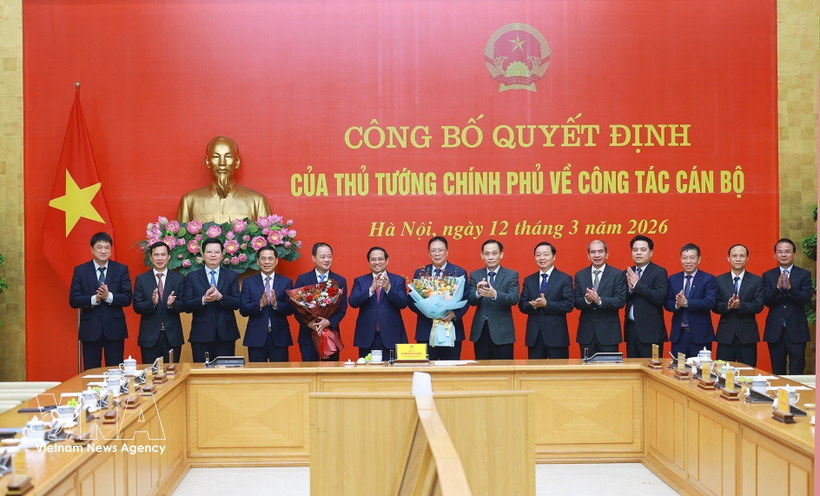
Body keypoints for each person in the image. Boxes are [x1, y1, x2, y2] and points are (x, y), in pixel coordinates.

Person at [69, 232, 133, 370]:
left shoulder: (121, 269)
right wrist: (95, 299)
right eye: (99, 247)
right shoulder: (80, 271)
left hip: (115, 330)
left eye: (107, 247)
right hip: (90, 330)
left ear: (111, 249)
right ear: (92, 249)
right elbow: (74, 300)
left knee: (115, 371)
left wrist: (108, 296)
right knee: (91, 373)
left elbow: (127, 298)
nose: (103, 251)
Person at [176, 136, 273, 223]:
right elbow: (180, 240)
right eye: (216, 157)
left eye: (228, 156)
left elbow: (268, 239)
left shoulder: (257, 201)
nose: (222, 162)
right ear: (207, 161)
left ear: (237, 162)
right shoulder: (189, 201)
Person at [407, 236, 469, 360]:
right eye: (433, 251)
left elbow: (467, 298)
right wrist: (427, 311)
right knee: (425, 373)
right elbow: (411, 300)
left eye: (440, 250)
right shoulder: (420, 273)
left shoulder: (459, 272)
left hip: (450, 329)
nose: (437, 254)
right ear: (429, 253)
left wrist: (454, 314)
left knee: (450, 372)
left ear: (447, 252)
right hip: (426, 330)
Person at [182, 237, 241, 362]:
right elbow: (186, 305)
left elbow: (237, 302)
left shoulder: (231, 276)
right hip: (201, 335)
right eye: (209, 252)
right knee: (201, 375)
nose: (213, 255)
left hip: (226, 334)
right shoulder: (192, 277)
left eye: (216, 252)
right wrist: (203, 299)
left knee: (225, 375)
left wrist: (221, 298)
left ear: (222, 255)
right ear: (203, 255)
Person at [762, 238, 813, 375]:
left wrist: (790, 288)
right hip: (775, 331)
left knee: (797, 372)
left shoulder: (804, 275)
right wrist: (777, 288)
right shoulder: (768, 275)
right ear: (775, 255)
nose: (783, 255)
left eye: (787, 252)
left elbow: (806, 299)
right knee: (778, 372)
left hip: (797, 330)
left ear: (794, 254)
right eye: (780, 252)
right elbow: (767, 301)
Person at [348, 246, 409, 359]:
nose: (377, 262)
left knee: (393, 375)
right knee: (368, 375)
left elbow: (403, 303)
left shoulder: (398, 280)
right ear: (369, 262)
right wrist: (371, 289)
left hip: (392, 336)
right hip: (367, 337)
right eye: (373, 259)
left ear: (387, 260)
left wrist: (389, 289)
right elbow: (352, 302)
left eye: (380, 259)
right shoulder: (360, 281)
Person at [518, 242, 574, 359]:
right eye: (538, 255)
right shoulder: (529, 280)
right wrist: (533, 305)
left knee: (559, 375)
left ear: (554, 257)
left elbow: (569, 304)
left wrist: (546, 304)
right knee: (535, 375)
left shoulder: (564, 278)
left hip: (557, 338)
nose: (541, 258)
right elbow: (522, 305)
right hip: (534, 338)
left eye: (545, 254)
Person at [133, 241, 185, 365]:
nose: (160, 258)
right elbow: (137, 306)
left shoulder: (178, 279)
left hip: (172, 336)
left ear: (168, 257)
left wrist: (172, 304)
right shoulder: (141, 279)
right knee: (151, 375)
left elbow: (184, 305)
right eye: (156, 255)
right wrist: (152, 303)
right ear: (151, 258)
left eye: (163, 255)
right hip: (149, 337)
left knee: (172, 375)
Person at [294, 242, 348, 361]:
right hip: (308, 335)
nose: (327, 259)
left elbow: (343, 308)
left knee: (330, 375)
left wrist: (328, 322)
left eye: (329, 256)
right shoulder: (303, 279)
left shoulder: (339, 280)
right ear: (314, 258)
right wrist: (310, 324)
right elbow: (296, 308)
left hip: (330, 334)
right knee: (309, 373)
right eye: (323, 257)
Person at [712, 244, 764, 367]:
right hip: (725, 336)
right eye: (734, 256)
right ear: (728, 258)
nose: (738, 259)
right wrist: (728, 306)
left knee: (748, 373)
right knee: (722, 374)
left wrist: (741, 305)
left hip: (748, 336)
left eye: (742, 256)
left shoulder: (756, 280)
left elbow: (759, 305)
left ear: (747, 259)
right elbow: (714, 306)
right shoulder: (719, 280)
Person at [574, 239, 627, 358]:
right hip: (586, 334)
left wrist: (599, 300)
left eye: (600, 251)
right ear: (588, 256)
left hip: (609, 334)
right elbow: (576, 302)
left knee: (609, 373)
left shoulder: (617, 274)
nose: (596, 255)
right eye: (593, 252)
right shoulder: (580, 275)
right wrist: (587, 300)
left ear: (606, 254)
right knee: (587, 373)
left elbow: (620, 301)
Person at [239, 246, 293, 362]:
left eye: (270, 258)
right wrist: (259, 304)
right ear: (258, 261)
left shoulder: (286, 282)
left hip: (279, 337)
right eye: (263, 259)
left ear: (276, 260)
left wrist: (276, 304)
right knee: (257, 377)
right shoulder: (248, 282)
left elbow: (291, 309)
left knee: (280, 374)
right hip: (255, 337)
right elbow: (243, 310)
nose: (267, 262)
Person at [468, 239, 520, 360]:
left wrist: (495, 294)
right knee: (482, 374)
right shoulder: (475, 274)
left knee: (504, 372)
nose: (490, 257)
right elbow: (470, 300)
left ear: (501, 254)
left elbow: (514, 298)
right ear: (482, 256)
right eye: (487, 254)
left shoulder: (511, 275)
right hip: (480, 332)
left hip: (502, 332)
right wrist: (478, 293)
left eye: (494, 253)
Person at [665, 243, 717, 358]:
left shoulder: (708, 279)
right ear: (680, 259)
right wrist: (677, 305)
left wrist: (687, 303)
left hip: (700, 336)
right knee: (676, 372)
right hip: (679, 336)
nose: (688, 261)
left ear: (699, 259)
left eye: (692, 258)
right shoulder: (673, 279)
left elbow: (710, 302)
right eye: (684, 258)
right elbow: (667, 303)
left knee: (701, 372)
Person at [623, 235, 669, 358]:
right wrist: (630, 290)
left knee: (651, 371)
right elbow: (622, 299)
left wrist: (637, 285)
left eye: (643, 250)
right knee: (632, 372)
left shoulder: (659, 272)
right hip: (631, 330)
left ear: (651, 252)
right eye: (635, 250)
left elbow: (660, 297)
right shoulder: (628, 272)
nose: (638, 253)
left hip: (651, 332)